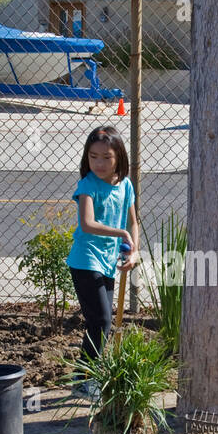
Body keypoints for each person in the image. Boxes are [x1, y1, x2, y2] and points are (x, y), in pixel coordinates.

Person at [66, 126, 139, 395]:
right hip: (85, 261)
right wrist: (120, 233)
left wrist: (134, 251)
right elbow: (87, 224)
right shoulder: (87, 186)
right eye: (93, 156)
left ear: (118, 156)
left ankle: (84, 377)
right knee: (101, 321)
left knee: (101, 323)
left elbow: (133, 222)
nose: (99, 163)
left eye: (106, 157)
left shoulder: (125, 185)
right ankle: (84, 379)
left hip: (108, 262)